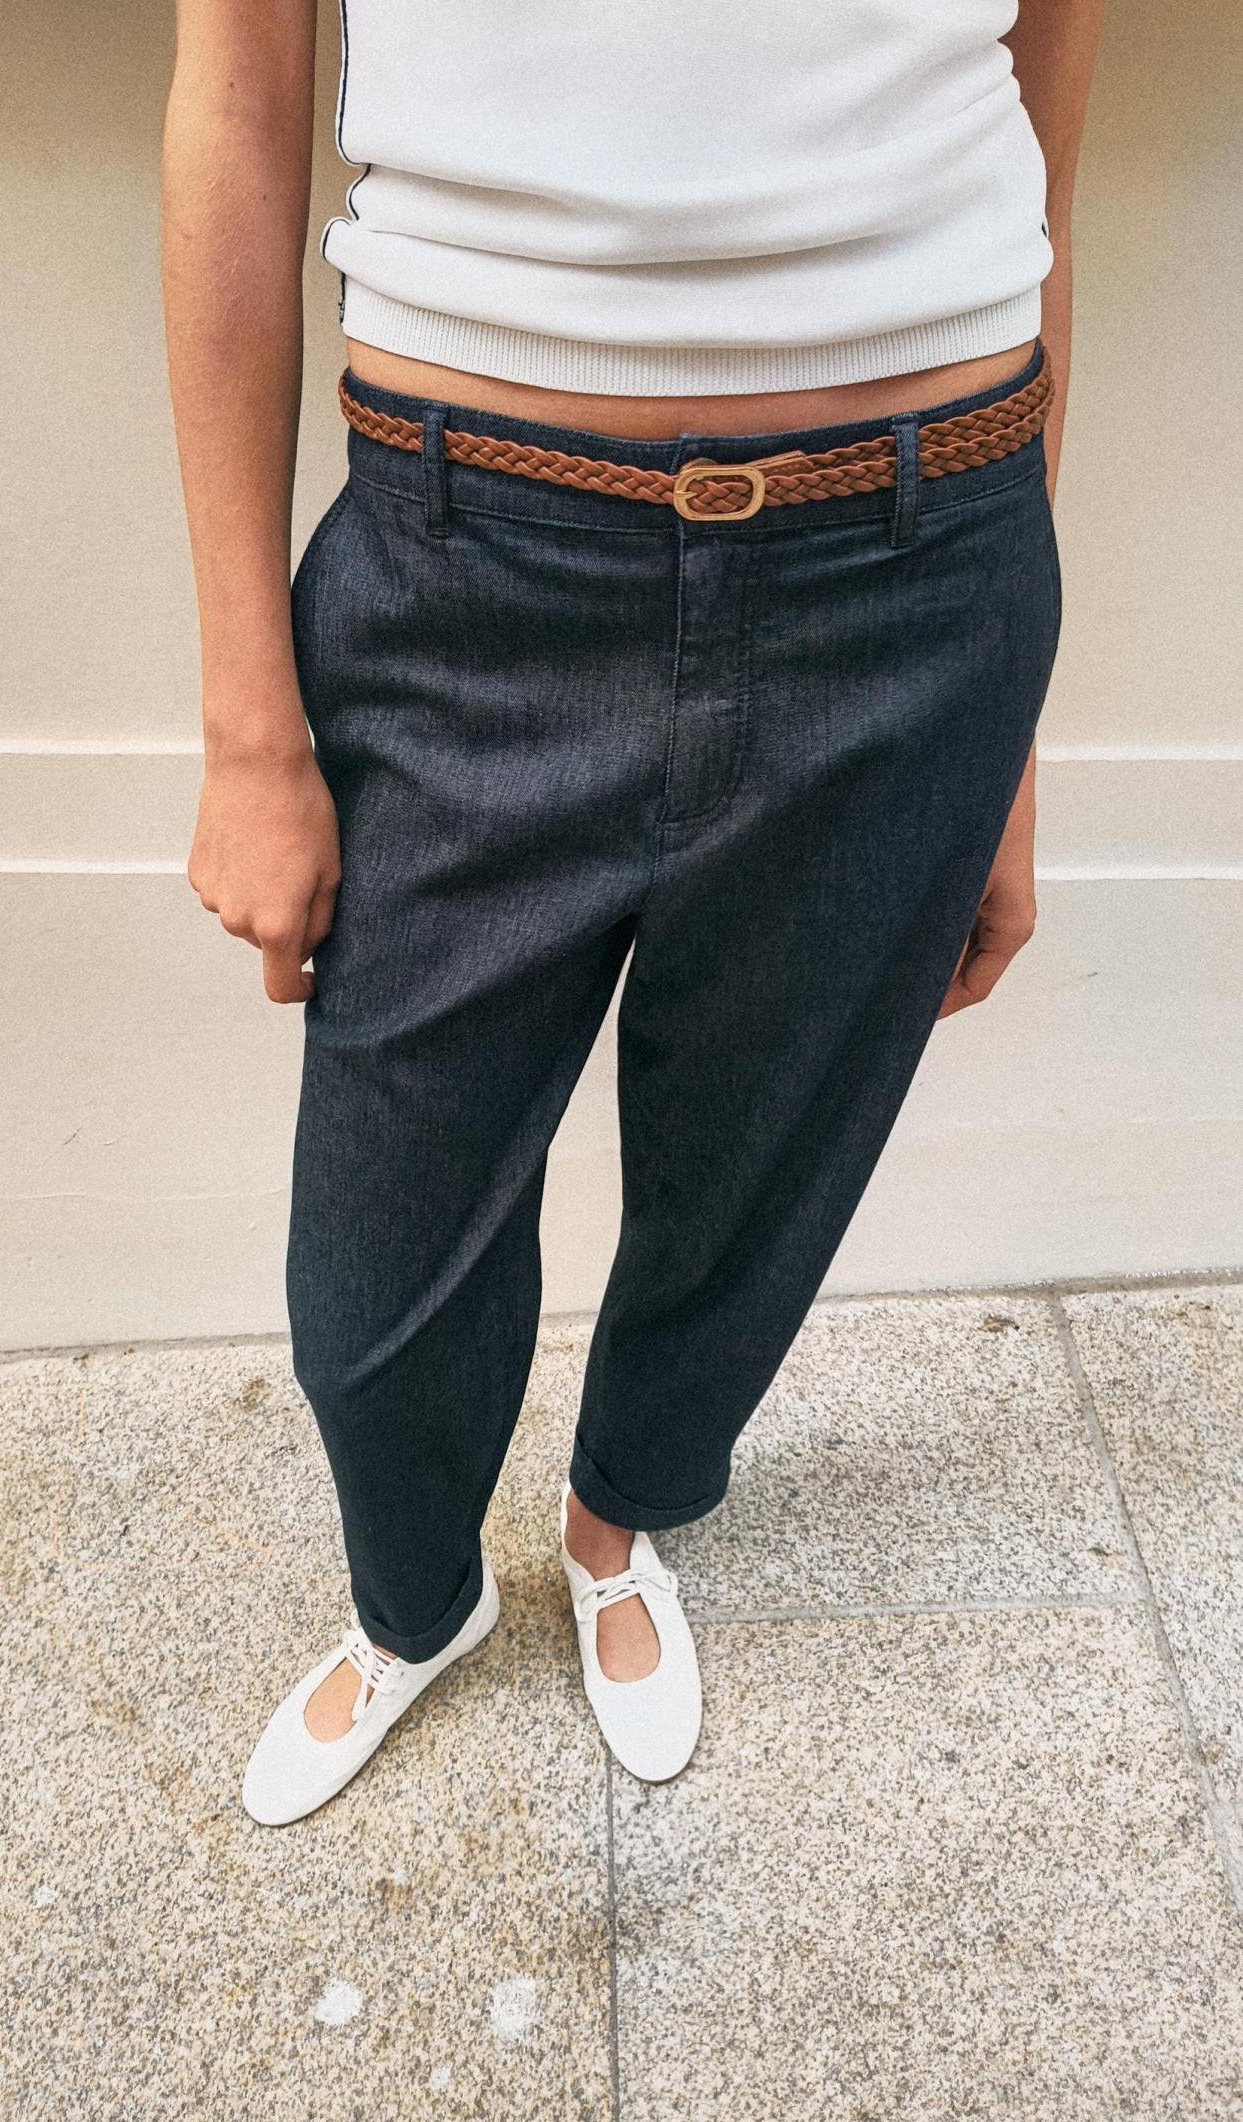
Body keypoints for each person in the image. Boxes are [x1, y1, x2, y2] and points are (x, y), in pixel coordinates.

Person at [161, 0, 1105, 1824]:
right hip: (464, 567)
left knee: (756, 1168)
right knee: (374, 1271)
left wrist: (1009, 737)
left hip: (919, 572)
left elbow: (1038, 156)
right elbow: (236, 110)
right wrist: (245, 724)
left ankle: (615, 1527)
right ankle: (417, 1603)